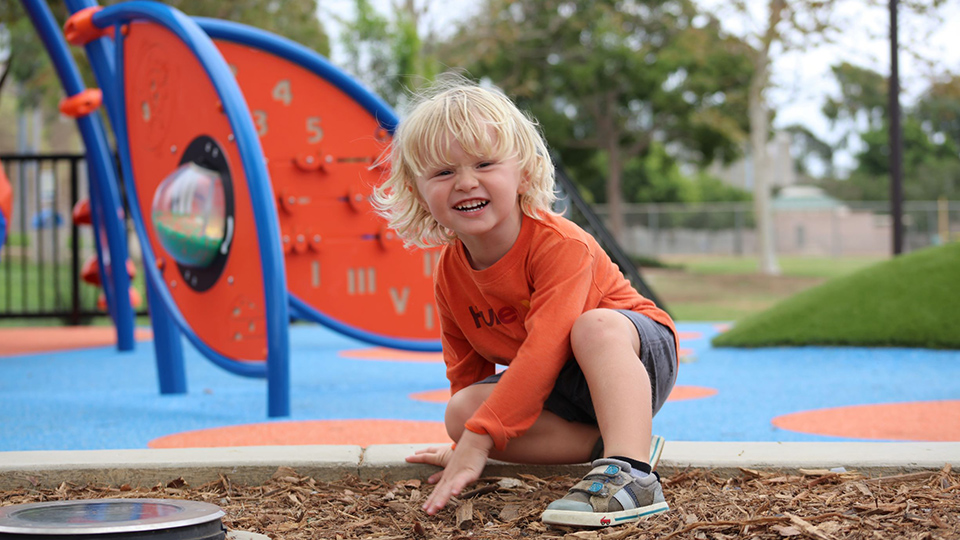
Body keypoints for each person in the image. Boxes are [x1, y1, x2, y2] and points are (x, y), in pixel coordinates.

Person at [372, 75, 678, 528]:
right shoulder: (451, 273)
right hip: (556, 385)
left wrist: (483, 440)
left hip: (632, 354)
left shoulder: (559, 244)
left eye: (484, 164)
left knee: (592, 327)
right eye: (443, 172)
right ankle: (610, 441)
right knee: (460, 415)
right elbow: (467, 372)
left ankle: (632, 472)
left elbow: (546, 347)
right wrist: (467, 442)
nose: (465, 182)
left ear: (525, 173)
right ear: (418, 192)